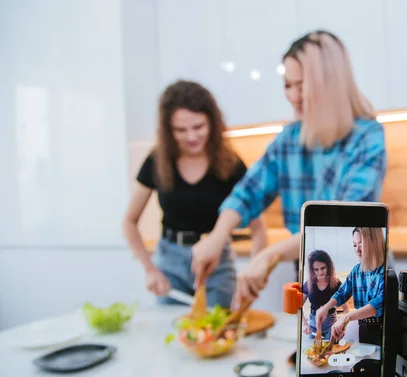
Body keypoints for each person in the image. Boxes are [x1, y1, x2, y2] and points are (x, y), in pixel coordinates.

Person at [190, 30, 387, 308]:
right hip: (311, 269)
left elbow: (339, 222)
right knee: (317, 343)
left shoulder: (367, 138)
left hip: (362, 271)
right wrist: (217, 237)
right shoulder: (290, 139)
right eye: (287, 85)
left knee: (354, 342)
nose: (293, 96)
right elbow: (248, 192)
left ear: (330, 84)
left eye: (302, 85)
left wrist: (269, 255)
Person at [122, 80, 267, 308]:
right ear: (168, 130)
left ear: (212, 122)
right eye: (180, 130)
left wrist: (252, 272)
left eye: (198, 127)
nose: (191, 136)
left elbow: (258, 228)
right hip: (169, 262)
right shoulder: (157, 161)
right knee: (172, 334)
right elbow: (129, 222)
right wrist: (149, 269)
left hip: (217, 264)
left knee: (217, 333)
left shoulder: (229, 163)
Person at [315, 227, 386, 345]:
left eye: (361, 244)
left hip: (381, 330)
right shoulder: (356, 270)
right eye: (354, 245)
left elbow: (377, 305)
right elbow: (342, 293)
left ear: (374, 243)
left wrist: (346, 318)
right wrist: (325, 308)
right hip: (363, 326)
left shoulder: (385, 272)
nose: (357, 250)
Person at [301, 250, 347, 340]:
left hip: (331, 324)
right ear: (312, 270)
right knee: (313, 351)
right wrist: (305, 324)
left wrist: (342, 324)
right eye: (316, 270)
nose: (320, 272)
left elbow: (346, 309)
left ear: (329, 267)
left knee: (331, 351)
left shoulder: (336, 283)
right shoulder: (309, 284)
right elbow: (298, 306)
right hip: (313, 325)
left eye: (323, 268)